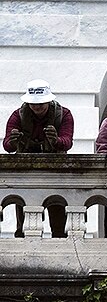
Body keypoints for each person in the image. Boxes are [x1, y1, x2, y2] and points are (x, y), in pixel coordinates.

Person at [4, 79, 73, 237]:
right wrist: (13, 141)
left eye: (41, 103)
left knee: (58, 218)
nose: (37, 107)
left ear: (48, 101)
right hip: (25, 173)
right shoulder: (18, 116)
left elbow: (67, 142)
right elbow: (7, 146)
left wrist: (56, 141)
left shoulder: (63, 115)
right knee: (24, 220)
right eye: (33, 103)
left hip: (55, 173)